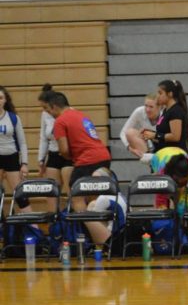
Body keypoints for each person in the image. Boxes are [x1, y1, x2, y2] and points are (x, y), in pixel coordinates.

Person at [46, 90, 113, 242]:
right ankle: (101, 232)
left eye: (48, 109)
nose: (48, 113)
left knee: (76, 200)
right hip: (103, 156)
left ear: (55, 107)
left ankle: (102, 239)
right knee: (95, 200)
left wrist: (72, 157)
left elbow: (63, 150)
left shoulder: (60, 121)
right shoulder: (80, 115)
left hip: (87, 160)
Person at [0, 85, 31, 212]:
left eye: (0, 98)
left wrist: (24, 163)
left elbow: (22, 143)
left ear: (5, 100)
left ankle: (33, 228)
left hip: (11, 158)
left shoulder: (13, 118)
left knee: (20, 195)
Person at [36, 85, 74, 189]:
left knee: (70, 188)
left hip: (68, 154)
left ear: (52, 105)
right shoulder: (45, 115)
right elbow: (43, 138)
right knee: (52, 190)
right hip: (53, 153)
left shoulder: (69, 112)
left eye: (45, 107)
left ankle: (72, 205)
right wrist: (41, 159)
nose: (44, 110)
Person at [143, 79, 188, 154]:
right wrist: (150, 134)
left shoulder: (176, 111)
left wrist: (155, 135)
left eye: (160, 93)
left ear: (170, 94)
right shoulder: (166, 110)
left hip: (175, 158)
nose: (157, 96)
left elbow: (175, 137)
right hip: (166, 155)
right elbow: (164, 135)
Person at [120, 93, 160, 158]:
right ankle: (148, 158)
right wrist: (130, 149)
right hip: (148, 144)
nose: (147, 110)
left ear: (159, 107)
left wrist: (152, 135)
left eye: (151, 107)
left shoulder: (165, 114)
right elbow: (123, 133)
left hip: (162, 142)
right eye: (146, 106)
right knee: (130, 132)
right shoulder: (139, 111)